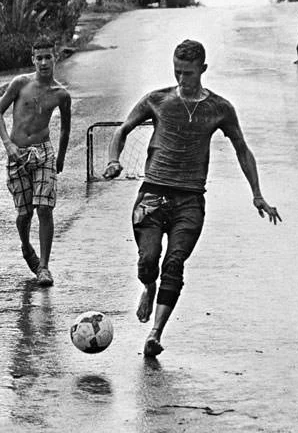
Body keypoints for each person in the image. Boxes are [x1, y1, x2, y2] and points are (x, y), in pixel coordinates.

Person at [103, 39, 282, 358]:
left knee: (174, 263)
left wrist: (257, 195)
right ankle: (148, 286)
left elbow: (242, 148)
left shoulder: (219, 108)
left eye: (187, 73)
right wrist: (113, 160)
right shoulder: (157, 100)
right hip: (152, 196)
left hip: (190, 200)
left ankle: (155, 333)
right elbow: (122, 130)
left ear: (202, 69)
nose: (181, 79)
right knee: (148, 260)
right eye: (176, 71)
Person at [0, 36, 71, 287]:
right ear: (33, 60)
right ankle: (26, 247)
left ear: (55, 58)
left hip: (43, 153)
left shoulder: (61, 94)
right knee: (24, 213)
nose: (44, 62)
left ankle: (44, 267)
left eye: (48, 57)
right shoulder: (20, 83)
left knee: (45, 208)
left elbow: (66, 129)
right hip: (17, 154)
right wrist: (8, 145)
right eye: (39, 58)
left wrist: (59, 157)